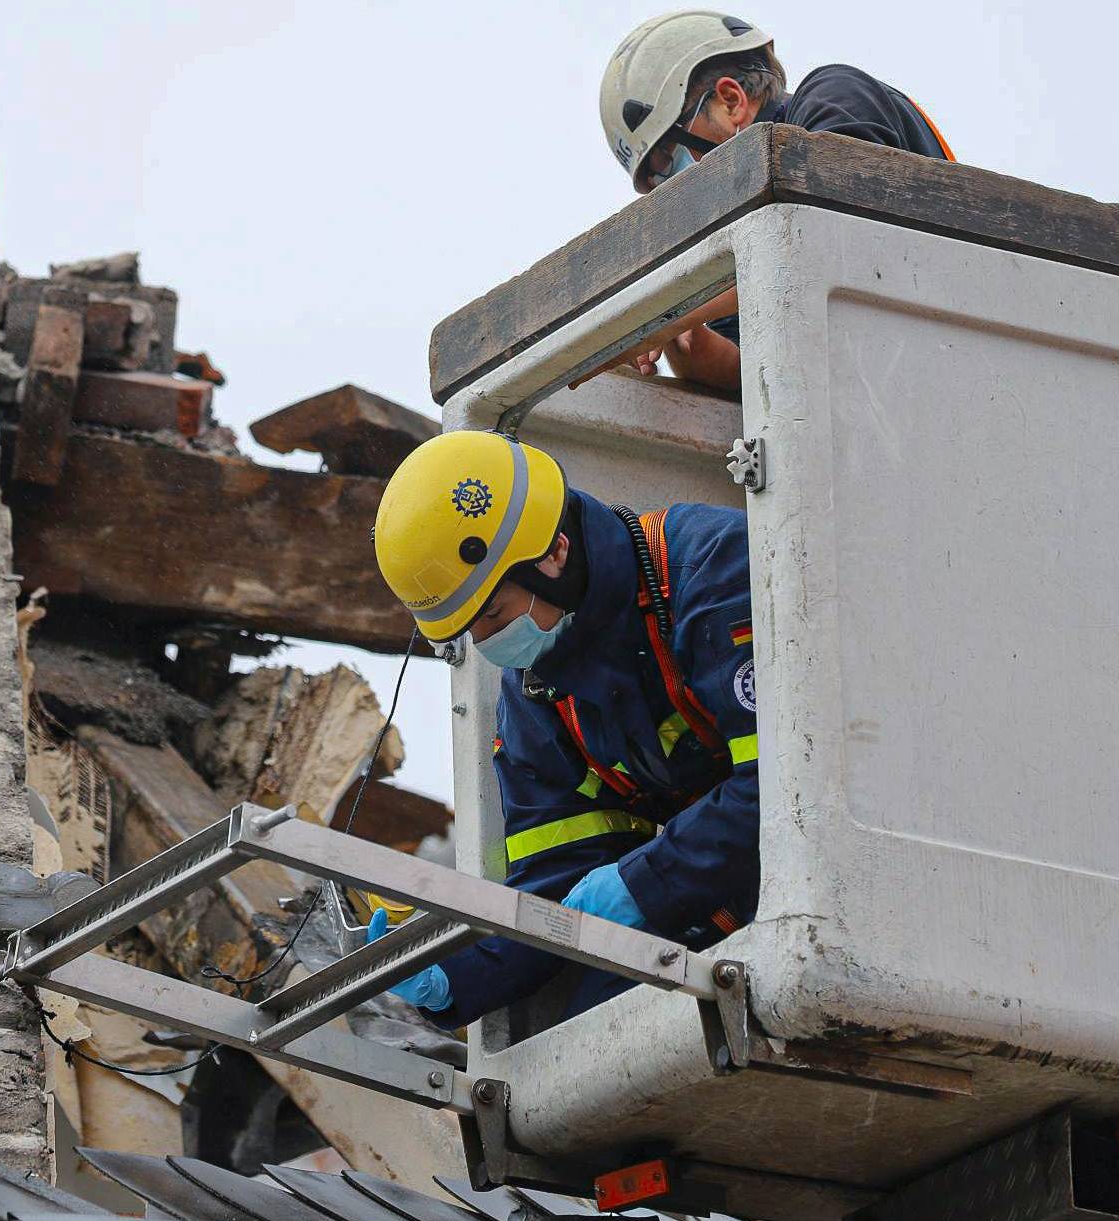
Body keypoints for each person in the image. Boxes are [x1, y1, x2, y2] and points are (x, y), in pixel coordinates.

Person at [368, 430, 758, 1025]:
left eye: (492, 613)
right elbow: (555, 881)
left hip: (829, 888)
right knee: (597, 1026)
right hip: (713, 895)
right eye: (469, 629)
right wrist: (454, 974)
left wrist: (642, 882)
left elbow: (786, 786)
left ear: (553, 555)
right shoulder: (536, 694)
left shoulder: (714, 572)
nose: (488, 643)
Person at [598, 11, 955, 392]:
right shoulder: (737, 237)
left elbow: (831, 235)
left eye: (668, 159)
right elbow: (751, 375)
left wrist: (671, 309)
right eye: (657, 181)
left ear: (730, 101)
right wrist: (686, 340)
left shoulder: (834, 94)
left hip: (948, 359)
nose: (674, 186)